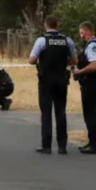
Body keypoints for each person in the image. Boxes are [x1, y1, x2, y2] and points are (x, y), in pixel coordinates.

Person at [29, 15, 77, 154]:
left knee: (46, 113)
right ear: (58, 25)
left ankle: (47, 145)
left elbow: (32, 60)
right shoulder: (67, 40)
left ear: (46, 25)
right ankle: (62, 146)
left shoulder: (42, 41)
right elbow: (75, 60)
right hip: (61, 80)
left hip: (46, 80)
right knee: (60, 112)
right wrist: (63, 63)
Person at [72, 21, 96, 154]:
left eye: (81, 32)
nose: (80, 35)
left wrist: (79, 72)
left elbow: (94, 65)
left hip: (91, 83)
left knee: (91, 114)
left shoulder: (93, 46)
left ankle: (95, 145)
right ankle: (92, 142)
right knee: (89, 113)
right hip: (89, 83)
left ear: (87, 31)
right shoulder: (92, 45)